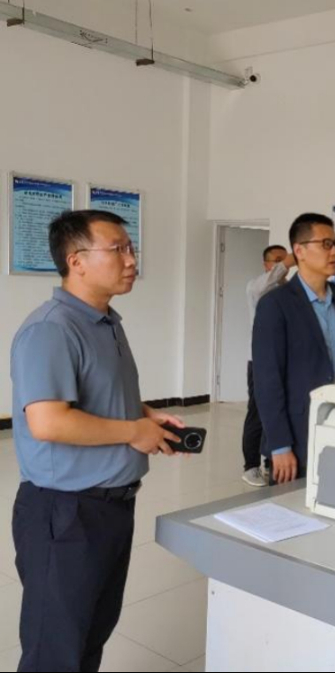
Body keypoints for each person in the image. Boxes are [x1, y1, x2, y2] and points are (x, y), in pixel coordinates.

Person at [10, 210, 185, 672]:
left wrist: (144, 415)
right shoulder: (51, 328)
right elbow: (48, 422)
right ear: (77, 261)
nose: (131, 260)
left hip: (110, 508)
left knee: (89, 637)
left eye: (131, 248)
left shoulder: (105, 322)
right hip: (65, 514)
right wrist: (133, 431)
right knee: (55, 652)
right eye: (118, 249)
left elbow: (98, 393)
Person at [253, 213, 335, 485]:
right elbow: (267, 380)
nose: (334, 252)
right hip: (297, 434)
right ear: (299, 251)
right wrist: (280, 445)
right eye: (325, 244)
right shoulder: (275, 305)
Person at [242, 244, 295, 487]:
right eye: (277, 260)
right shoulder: (256, 287)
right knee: (257, 414)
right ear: (266, 265)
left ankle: (269, 459)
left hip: (284, 362)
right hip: (259, 363)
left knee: (277, 411)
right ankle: (250, 466)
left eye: (284, 259)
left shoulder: (289, 290)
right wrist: (290, 261)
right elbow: (268, 281)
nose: (282, 264)